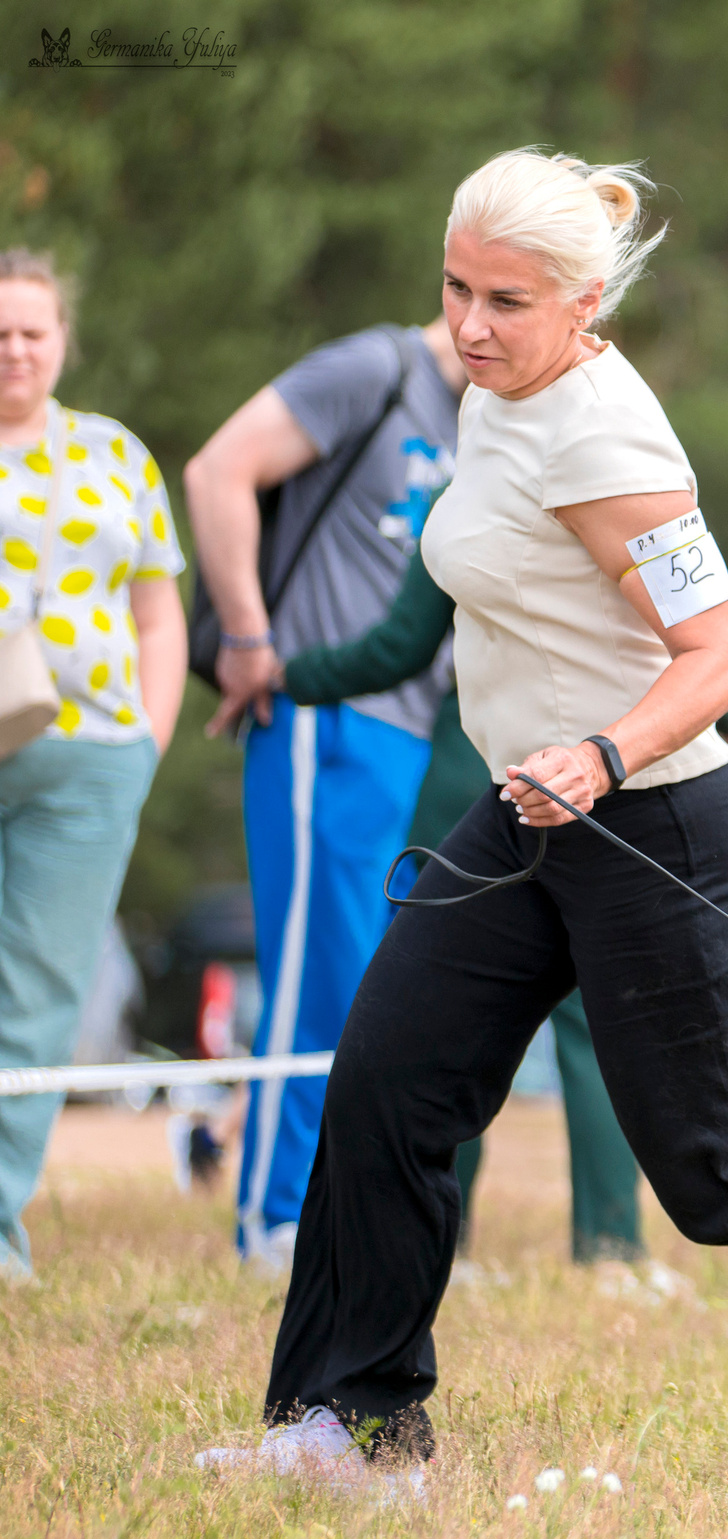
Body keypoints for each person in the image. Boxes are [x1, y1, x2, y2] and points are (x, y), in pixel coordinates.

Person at [201, 149, 728, 1484]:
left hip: (649, 816)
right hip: (528, 811)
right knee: (386, 1084)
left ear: (582, 302)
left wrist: (598, 753)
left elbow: (721, 661)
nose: (471, 324)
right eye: (457, 288)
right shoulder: (495, 393)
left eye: (508, 302)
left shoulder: (606, 440)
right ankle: (350, 1430)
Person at [184, 299, 467, 1269]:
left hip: (407, 728)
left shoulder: (498, 418)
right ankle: (274, 1217)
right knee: (319, 972)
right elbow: (217, 469)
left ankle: (333, 1212)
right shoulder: (375, 370)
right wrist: (251, 638)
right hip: (317, 713)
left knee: (376, 983)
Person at [276, 532, 648, 1266]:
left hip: (478, 773)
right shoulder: (629, 485)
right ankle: (610, 1246)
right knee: (598, 1020)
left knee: (457, 1014)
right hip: (601, 778)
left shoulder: (468, 497)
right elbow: (694, 648)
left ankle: (446, 1245)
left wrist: (286, 674)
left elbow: (397, 649)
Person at [0, 249, 187, 1281]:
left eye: (33, 330)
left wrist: (148, 742)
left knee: (36, 996)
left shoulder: (114, 453)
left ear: (61, 339)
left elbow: (159, 615)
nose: (15, 350)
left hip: (86, 760)